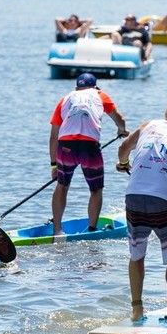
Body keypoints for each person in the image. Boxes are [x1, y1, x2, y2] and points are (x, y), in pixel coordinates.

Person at [117, 97, 167, 324]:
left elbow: (123, 149)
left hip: (133, 196)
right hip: (163, 201)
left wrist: (123, 164)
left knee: (137, 255)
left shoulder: (148, 126)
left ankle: (137, 309)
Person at [49, 73, 127, 237]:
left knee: (62, 186)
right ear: (95, 87)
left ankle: (57, 230)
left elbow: (53, 135)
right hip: (89, 148)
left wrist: (53, 165)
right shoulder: (100, 95)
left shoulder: (65, 99)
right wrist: (121, 130)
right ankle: (92, 230)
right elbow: (119, 118)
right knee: (96, 189)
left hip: (65, 148)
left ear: (77, 88)